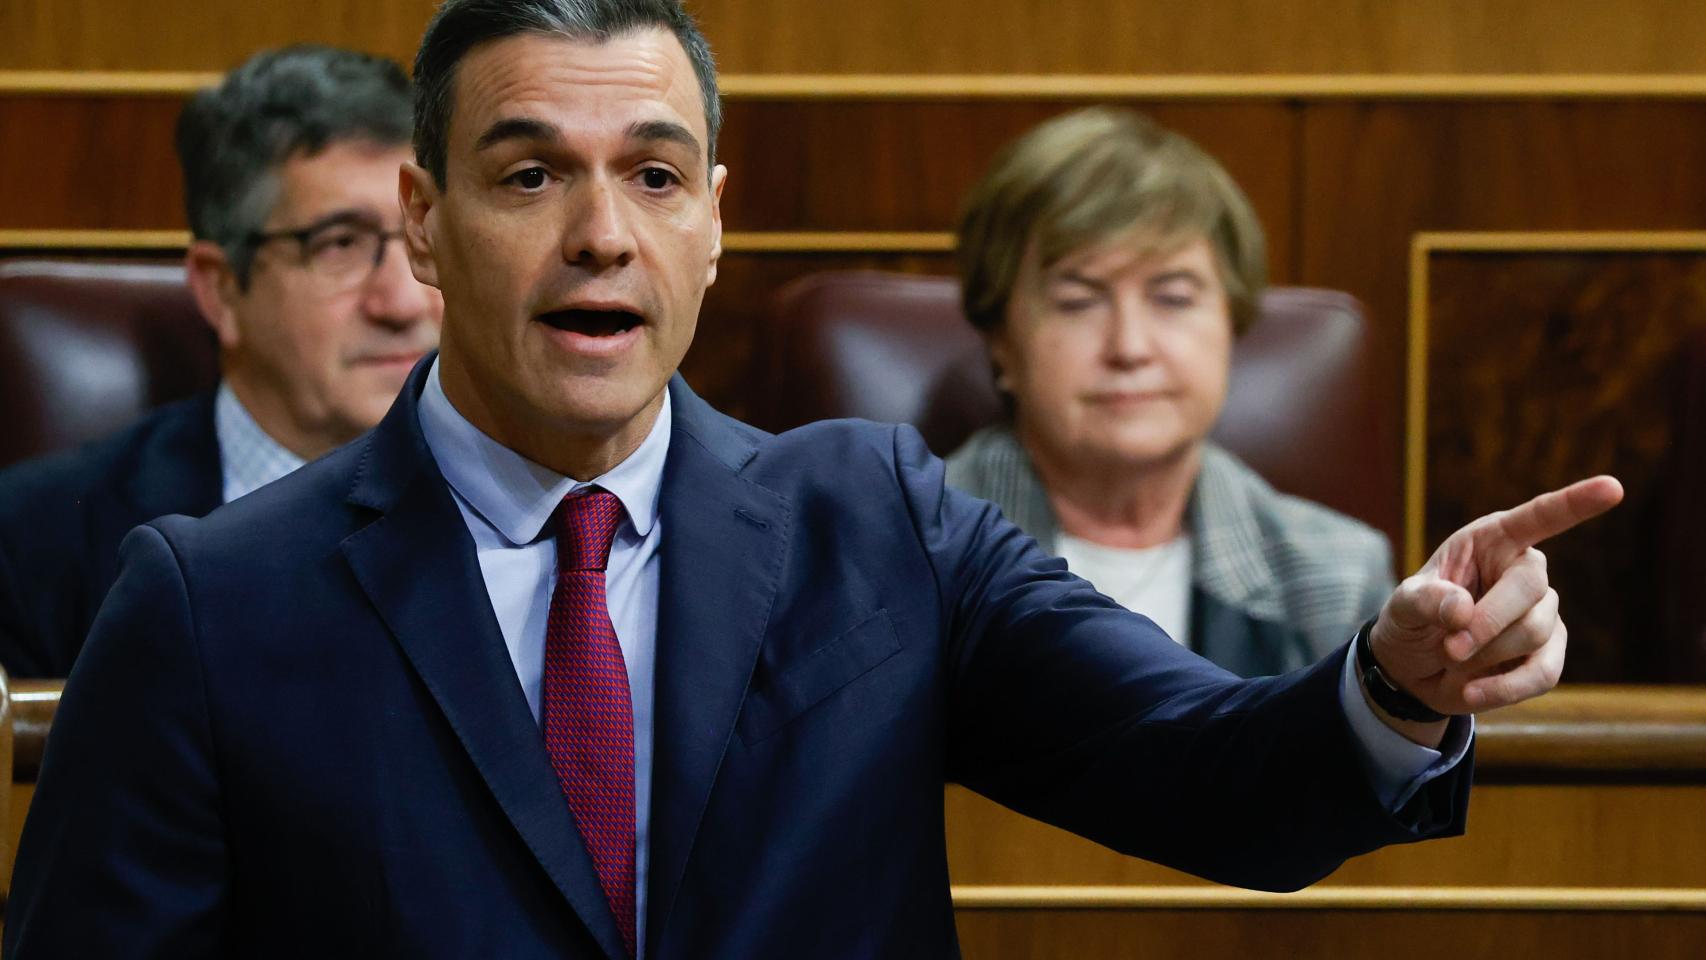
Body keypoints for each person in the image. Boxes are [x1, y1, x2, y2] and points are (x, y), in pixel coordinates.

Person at [4, 2, 1620, 957]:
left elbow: (1210, 771)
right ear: (425, 221)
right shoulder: (211, 601)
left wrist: (1395, 687)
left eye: (649, 175)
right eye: (526, 177)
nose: (597, 233)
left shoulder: (877, 522)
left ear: (713, 219)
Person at [0, 45, 442, 678]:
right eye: (340, 244)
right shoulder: (31, 547)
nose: (404, 302)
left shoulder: (545, 506)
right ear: (221, 288)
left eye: (424, 236)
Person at [948, 107, 1388, 677]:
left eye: (1173, 298)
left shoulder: (1335, 575)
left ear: (1231, 323)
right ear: (1002, 343)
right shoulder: (906, 554)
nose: (1129, 347)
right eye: (1078, 302)